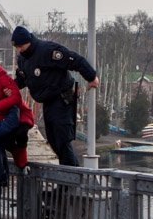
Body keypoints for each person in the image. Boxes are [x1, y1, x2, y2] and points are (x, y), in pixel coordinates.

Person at [12, 25, 100, 167]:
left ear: (28, 41)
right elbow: (23, 79)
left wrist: (91, 76)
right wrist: (8, 88)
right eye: (16, 47)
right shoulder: (23, 59)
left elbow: (74, 60)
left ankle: (71, 181)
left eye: (20, 46)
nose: (19, 50)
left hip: (62, 99)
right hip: (47, 102)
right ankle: (66, 180)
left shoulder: (47, 50)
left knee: (62, 140)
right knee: (53, 141)